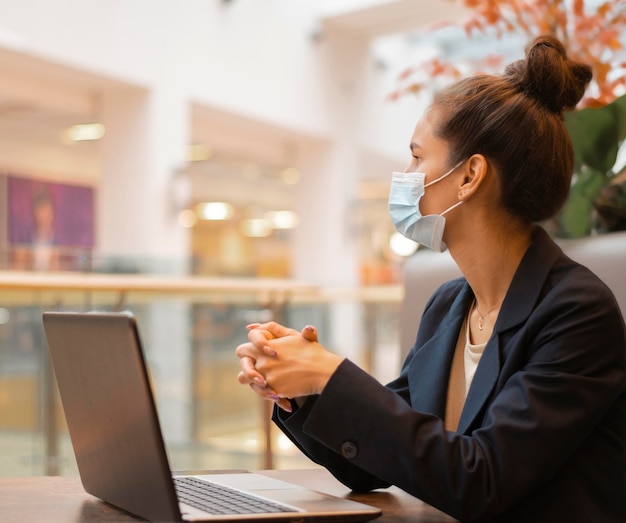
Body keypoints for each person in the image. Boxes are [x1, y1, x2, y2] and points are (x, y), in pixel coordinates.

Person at [236, 35, 626, 522]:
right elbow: (380, 460)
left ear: (470, 176)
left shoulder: (577, 312)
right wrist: (300, 388)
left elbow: (481, 482)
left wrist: (330, 374)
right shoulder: (449, 306)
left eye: (418, 158)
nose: (406, 174)